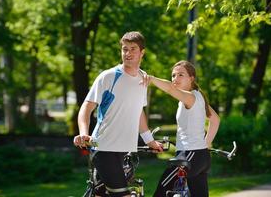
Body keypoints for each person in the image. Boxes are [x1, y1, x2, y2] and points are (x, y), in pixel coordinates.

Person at [73, 31, 163, 197]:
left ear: (142, 52)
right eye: (124, 49)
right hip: (103, 147)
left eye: (133, 49)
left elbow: (139, 113)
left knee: (100, 194)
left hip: (124, 151)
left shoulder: (143, 79)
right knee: (123, 194)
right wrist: (84, 134)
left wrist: (150, 141)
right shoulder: (108, 77)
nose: (127, 53)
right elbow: (86, 108)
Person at [143, 60, 220, 197]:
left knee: (160, 192)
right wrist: (205, 144)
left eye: (180, 75)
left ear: (191, 78)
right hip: (200, 157)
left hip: (189, 156)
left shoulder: (190, 97)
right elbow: (215, 119)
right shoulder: (197, 96)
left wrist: (152, 79)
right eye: (173, 75)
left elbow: (170, 89)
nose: (175, 79)